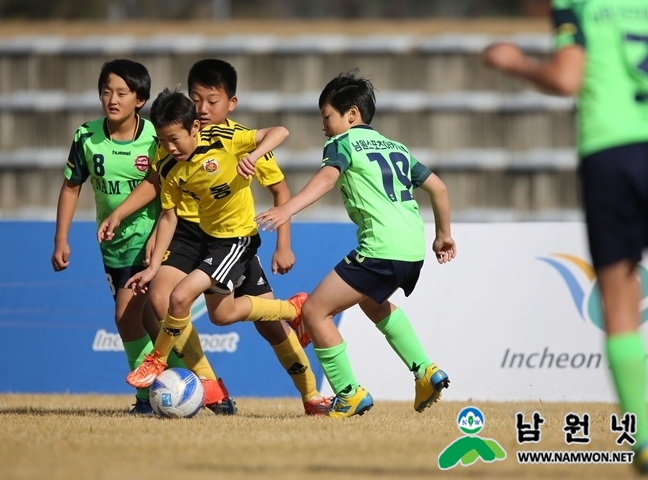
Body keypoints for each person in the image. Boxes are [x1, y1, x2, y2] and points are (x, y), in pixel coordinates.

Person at [98, 59, 331, 415]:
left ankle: (311, 394)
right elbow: (162, 195)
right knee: (164, 297)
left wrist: (284, 244)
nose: (204, 109)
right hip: (188, 235)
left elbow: (280, 192)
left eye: (212, 101)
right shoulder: (169, 146)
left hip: (231, 238)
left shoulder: (237, 142)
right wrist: (129, 221)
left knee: (266, 325)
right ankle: (210, 387)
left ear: (230, 103)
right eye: (197, 99)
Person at [481, 0, 648, 472]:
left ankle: (646, 436)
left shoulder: (577, 5)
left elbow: (567, 78)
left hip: (610, 153)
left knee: (618, 299)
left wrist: (513, 62)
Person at [254, 70, 456, 418]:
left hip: (380, 246)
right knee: (372, 304)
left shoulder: (341, 143)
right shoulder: (397, 147)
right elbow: (438, 187)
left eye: (326, 117)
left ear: (351, 114)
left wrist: (286, 208)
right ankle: (425, 370)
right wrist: (443, 234)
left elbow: (328, 177)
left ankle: (348, 393)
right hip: (412, 247)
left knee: (316, 311)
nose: (324, 126)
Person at [121, 88, 308, 395]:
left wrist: (254, 155)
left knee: (180, 297)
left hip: (237, 240)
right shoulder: (168, 164)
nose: (169, 147)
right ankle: (292, 308)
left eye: (175, 139)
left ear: (195, 127)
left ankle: (157, 359)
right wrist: (153, 267)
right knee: (221, 315)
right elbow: (169, 216)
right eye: (163, 140)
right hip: (208, 241)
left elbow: (280, 131)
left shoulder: (224, 139)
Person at [51, 58, 185, 415]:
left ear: (139, 99)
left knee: (125, 317)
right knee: (144, 321)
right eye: (106, 91)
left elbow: (159, 185)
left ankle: (149, 396)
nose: (112, 99)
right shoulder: (86, 136)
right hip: (112, 245)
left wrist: (136, 222)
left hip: (149, 238)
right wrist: (61, 239)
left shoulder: (155, 136)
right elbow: (70, 187)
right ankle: (183, 384)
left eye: (122, 92)